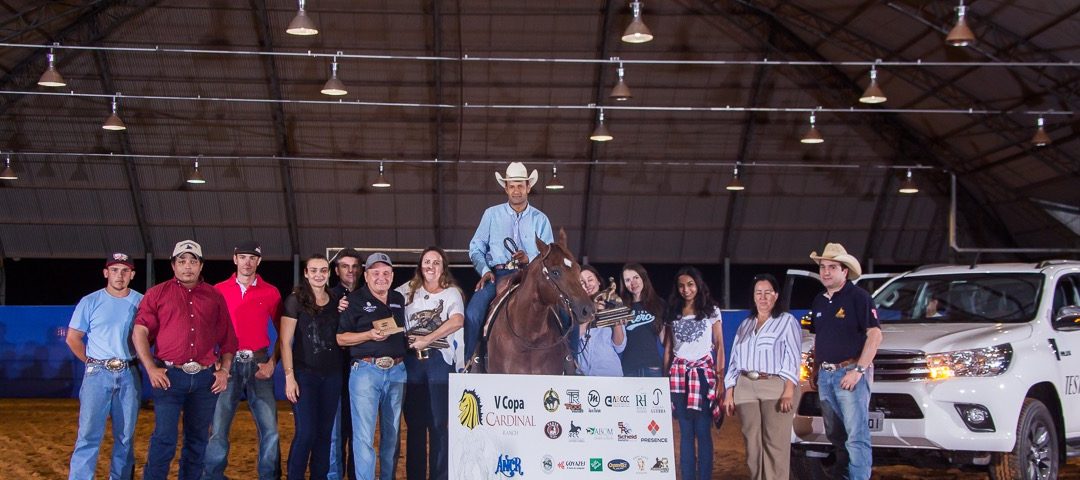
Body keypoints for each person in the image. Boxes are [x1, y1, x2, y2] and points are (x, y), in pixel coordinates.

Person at [133, 240, 237, 480]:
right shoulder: (157, 294)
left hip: (204, 379)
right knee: (164, 438)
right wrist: (150, 368)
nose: (187, 266)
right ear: (173, 265)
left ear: (201, 265)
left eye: (193, 261)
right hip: (169, 377)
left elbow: (229, 339)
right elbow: (140, 331)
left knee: (198, 439)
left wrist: (224, 371)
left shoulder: (214, 296)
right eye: (182, 261)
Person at [204, 240, 283, 480]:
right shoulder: (218, 289)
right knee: (218, 428)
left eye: (252, 257)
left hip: (259, 363)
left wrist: (272, 363)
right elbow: (207, 327)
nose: (247, 262)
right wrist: (214, 360)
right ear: (235, 259)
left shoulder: (271, 292)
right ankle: (213, 476)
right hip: (228, 365)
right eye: (243, 257)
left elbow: (284, 332)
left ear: (258, 261)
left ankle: (269, 476)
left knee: (270, 429)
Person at [464, 162, 553, 364]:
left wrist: (529, 259)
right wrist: (485, 270)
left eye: (520, 185)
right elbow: (475, 247)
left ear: (528, 187)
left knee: (563, 311)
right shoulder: (491, 214)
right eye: (512, 186)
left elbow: (549, 254)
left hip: (532, 276)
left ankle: (569, 357)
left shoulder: (541, 219)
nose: (516, 190)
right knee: (472, 313)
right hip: (498, 275)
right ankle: (470, 361)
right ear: (506, 188)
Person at [808, 243, 883, 480]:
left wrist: (859, 370)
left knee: (856, 435)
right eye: (823, 267)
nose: (826, 272)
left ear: (845, 271)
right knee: (836, 435)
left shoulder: (859, 298)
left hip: (849, 373)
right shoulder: (819, 300)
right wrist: (816, 368)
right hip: (826, 376)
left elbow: (875, 334)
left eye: (832, 267)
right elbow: (819, 336)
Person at [66, 252, 144, 480]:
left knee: (126, 436)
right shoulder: (90, 301)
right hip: (97, 374)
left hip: (129, 372)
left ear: (132, 274)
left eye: (125, 271)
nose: (119, 275)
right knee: (88, 434)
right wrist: (91, 362)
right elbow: (73, 338)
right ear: (105, 273)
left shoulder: (142, 301)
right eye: (115, 270)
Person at [722, 274, 801, 480]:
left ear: (776, 296)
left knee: (775, 444)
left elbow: (793, 356)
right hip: (745, 386)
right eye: (759, 293)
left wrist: (789, 390)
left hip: (774, 385)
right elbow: (734, 360)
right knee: (752, 444)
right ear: (753, 296)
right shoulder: (746, 324)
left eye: (768, 293)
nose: (763, 297)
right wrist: (729, 392)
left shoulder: (786, 321)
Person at [395, 247, 465, 480]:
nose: (431, 267)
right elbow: (385, 302)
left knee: (438, 424)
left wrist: (428, 338)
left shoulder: (451, 293)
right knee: (414, 425)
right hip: (412, 363)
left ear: (443, 267)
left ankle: (440, 475)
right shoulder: (406, 291)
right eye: (427, 262)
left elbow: (457, 320)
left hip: (438, 361)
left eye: (436, 262)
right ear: (420, 265)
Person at [337, 253, 407, 480]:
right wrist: (368, 335)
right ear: (366, 276)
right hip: (366, 372)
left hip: (397, 372)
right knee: (364, 436)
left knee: (393, 434)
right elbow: (340, 338)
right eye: (375, 273)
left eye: (386, 273)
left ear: (392, 276)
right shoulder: (353, 301)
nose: (381, 277)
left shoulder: (399, 298)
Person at [280, 255, 344, 480]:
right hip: (304, 375)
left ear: (328, 273)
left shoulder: (337, 300)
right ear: (306, 273)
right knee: (306, 432)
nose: (319, 275)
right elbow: (285, 342)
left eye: (323, 270)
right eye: (314, 270)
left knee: (324, 434)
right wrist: (289, 377)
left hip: (332, 375)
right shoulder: (295, 301)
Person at [663, 266, 724, 480]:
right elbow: (669, 349)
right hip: (679, 376)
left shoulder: (711, 310)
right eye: (681, 285)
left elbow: (719, 345)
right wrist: (665, 379)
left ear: (698, 285)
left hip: (703, 375)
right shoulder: (673, 312)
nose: (686, 290)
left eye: (690, 285)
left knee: (703, 432)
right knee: (686, 434)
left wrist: (720, 380)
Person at [328, 248, 362, 480]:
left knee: (358, 430)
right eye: (344, 266)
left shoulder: (368, 294)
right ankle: (334, 474)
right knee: (336, 431)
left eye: (354, 266)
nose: (350, 271)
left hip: (360, 370)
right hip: (334, 370)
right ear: (337, 269)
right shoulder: (328, 296)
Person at [575, 266, 625, 376]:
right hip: (582, 376)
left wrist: (614, 315)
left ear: (598, 281)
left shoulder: (612, 304)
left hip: (609, 373)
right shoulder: (575, 310)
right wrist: (592, 311)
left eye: (590, 279)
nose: (587, 285)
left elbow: (620, 346)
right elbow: (574, 337)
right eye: (582, 282)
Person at [619, 263, 666, 377]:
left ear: (643, 278)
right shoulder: (621, 307)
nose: (633, 283)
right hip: (629, 368)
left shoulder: (659, 304)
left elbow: (664, 340)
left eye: (636, 277)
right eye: (628, 280)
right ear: (624, 284)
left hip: (653, 367)